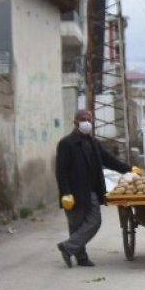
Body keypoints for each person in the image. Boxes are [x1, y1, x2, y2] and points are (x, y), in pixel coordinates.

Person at [55, 109, 131, 268]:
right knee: (76, 225)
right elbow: (61, 170)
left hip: (91, 191)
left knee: (94, 221)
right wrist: (65, 193)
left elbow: (109, 160)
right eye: (84, 119)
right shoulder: (66, 143)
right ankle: (81, 258)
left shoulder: (94, 143)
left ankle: (68, 247)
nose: (87, 123)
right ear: (76, 122)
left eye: (89, 119)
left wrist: (128, 169)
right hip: (73, 192)